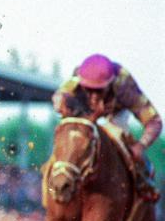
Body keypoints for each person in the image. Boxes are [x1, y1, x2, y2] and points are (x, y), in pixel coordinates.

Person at [52, 53, 160, 200]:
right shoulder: (76, 79)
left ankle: (143, 182)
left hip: (114, 115)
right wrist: (63, 106)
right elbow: (58, 98)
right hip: (84, 113)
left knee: (123, 143)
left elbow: (154, 120)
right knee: (68, 141)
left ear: (110, 83)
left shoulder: (123, 83)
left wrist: (140, 146)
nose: (94, 96)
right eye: (89, 89)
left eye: (99, 90)